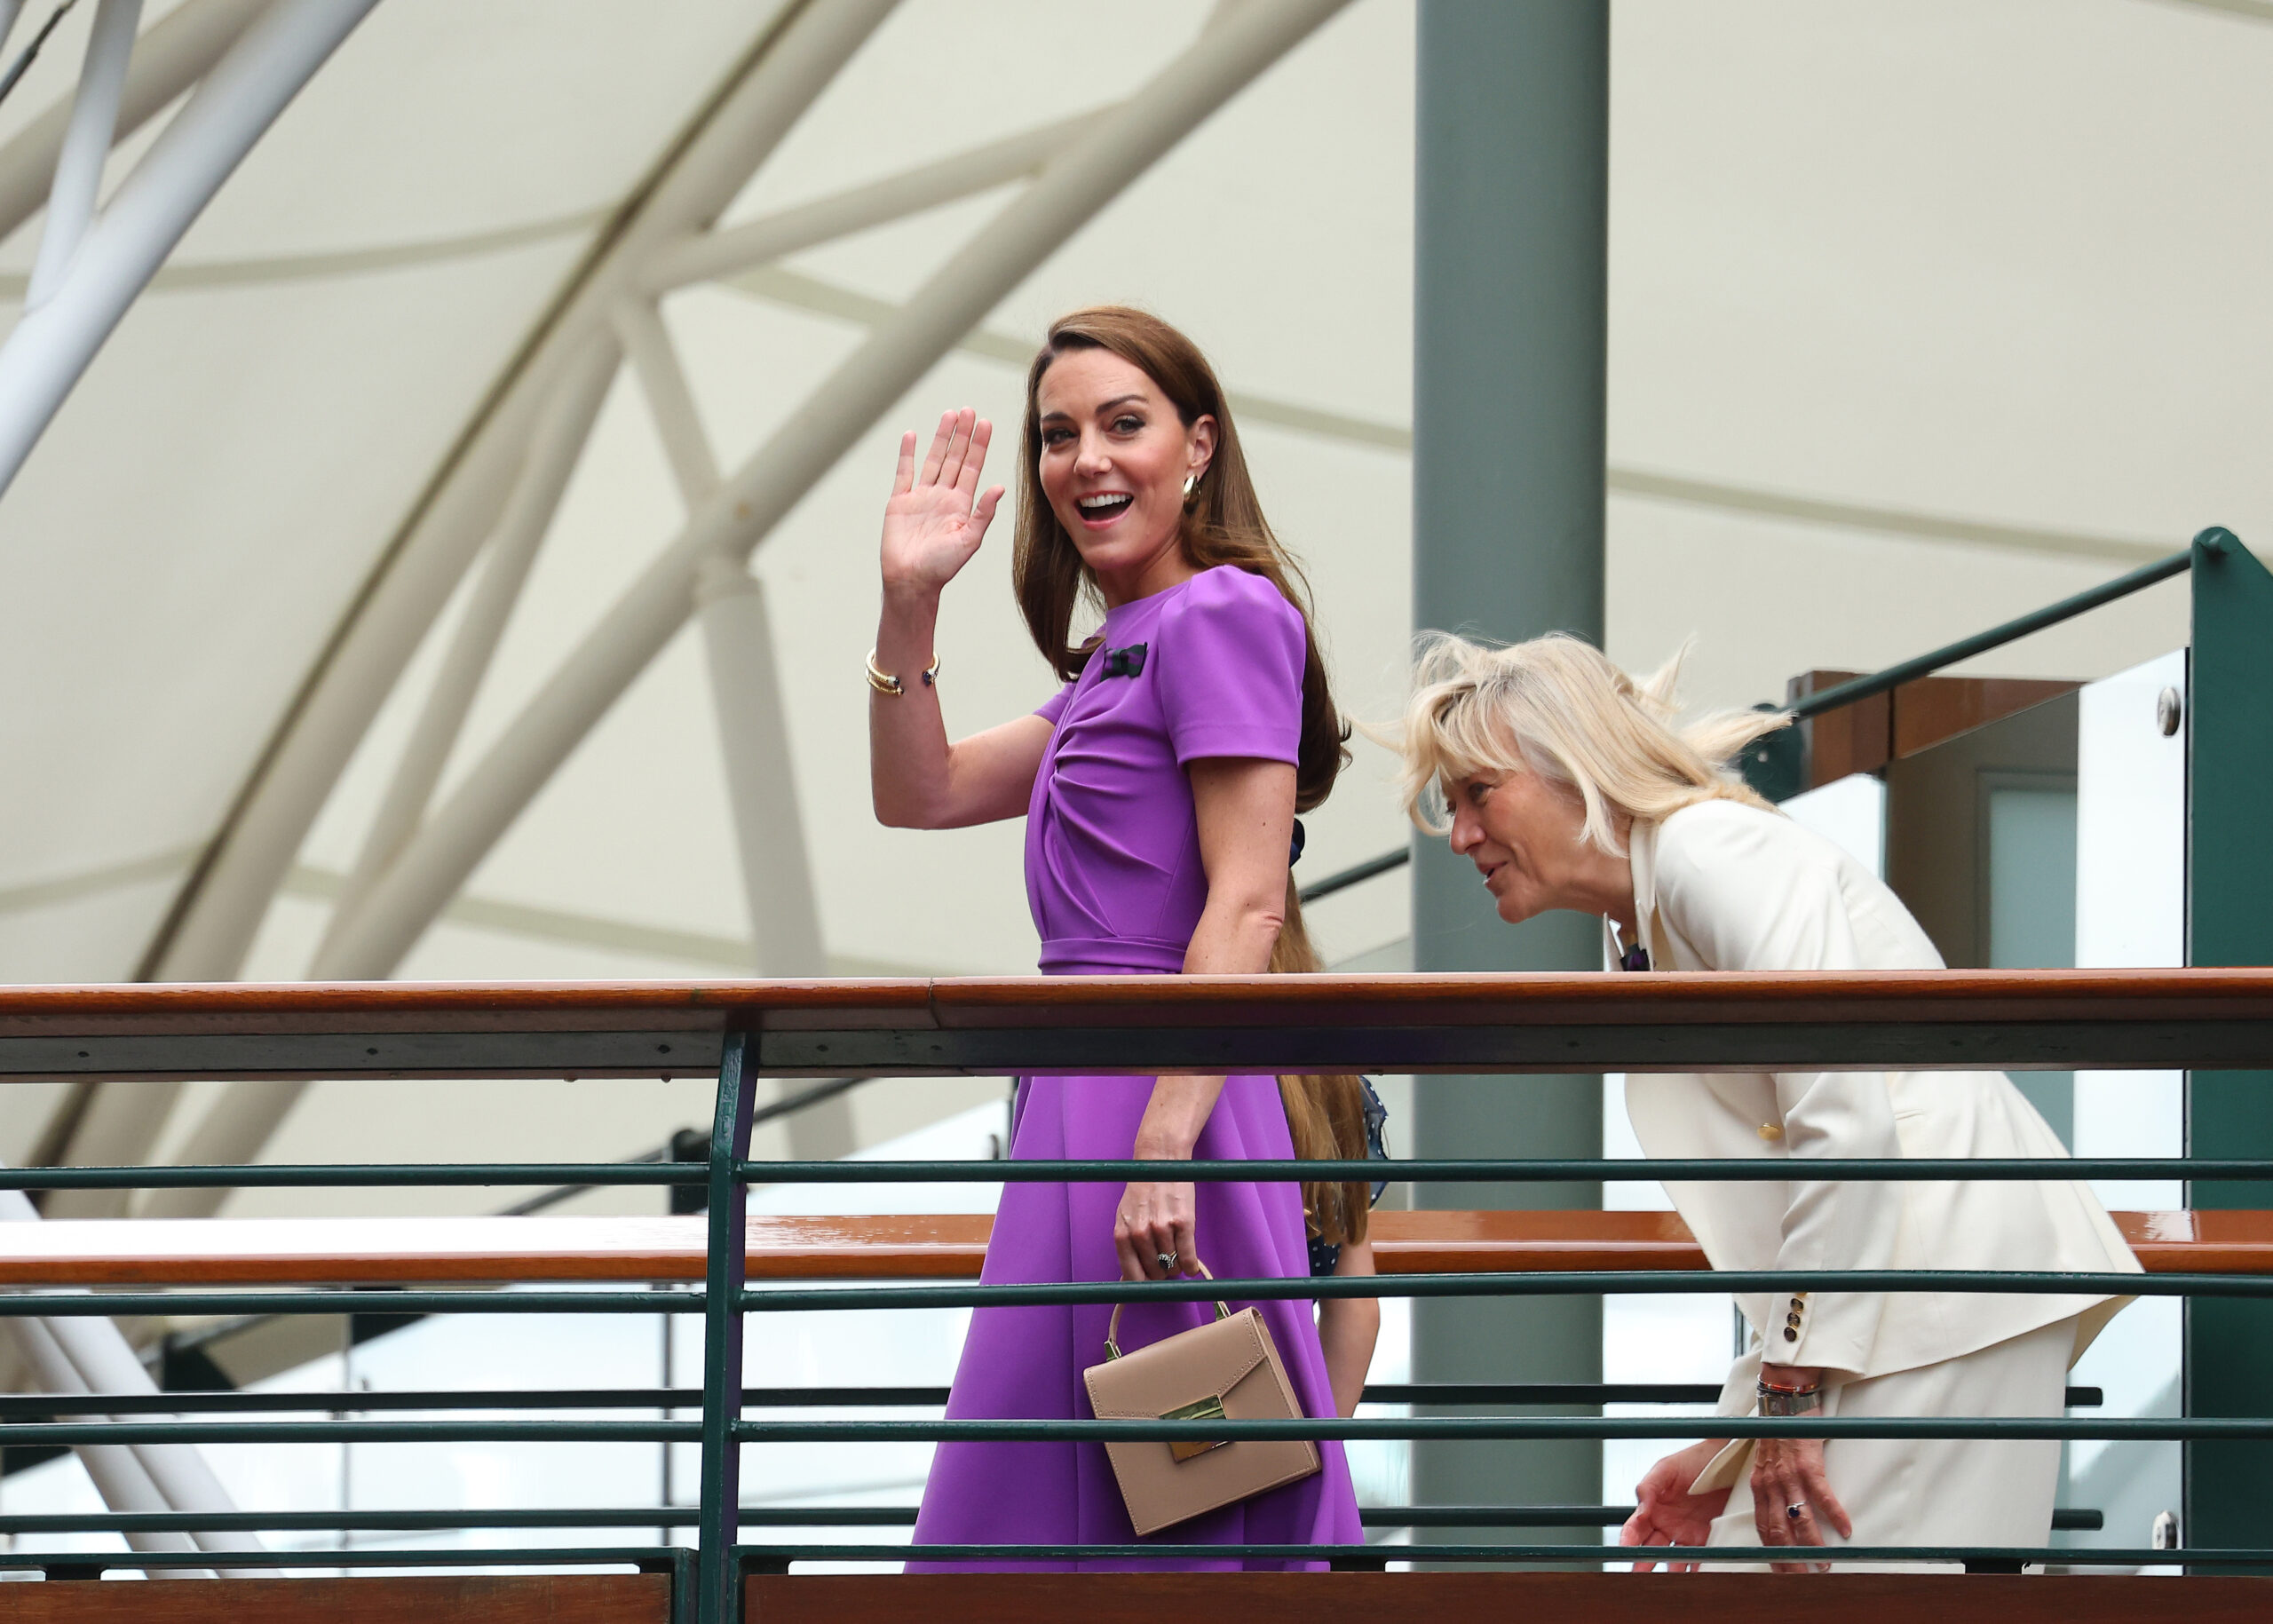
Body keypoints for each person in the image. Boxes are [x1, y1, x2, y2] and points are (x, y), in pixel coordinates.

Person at [1391, 631, 2140, 1573]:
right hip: (1913, 1302)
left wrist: (1781, 1398)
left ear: (1571, 765)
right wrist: (1733, 1434)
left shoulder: (1710, 851)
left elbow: (1843, 1113)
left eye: (1476, 793)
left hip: (1942, 1291)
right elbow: (1799, 1192)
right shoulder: (1648, 919)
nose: (1458, 834)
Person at [874, 306, 1365, 1569]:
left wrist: (1167, 1137)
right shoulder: (1111, 664)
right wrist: (908, 604)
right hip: (1086, 1101)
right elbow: (917, 792)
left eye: (1123, 423)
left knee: (1184, 1494)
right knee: (1077, 1490)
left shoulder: (1222, 616)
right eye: (1058, 434)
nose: (1086, 457)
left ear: (1198, 445)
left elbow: (1249, 900)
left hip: (1168, 1096)